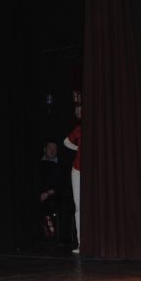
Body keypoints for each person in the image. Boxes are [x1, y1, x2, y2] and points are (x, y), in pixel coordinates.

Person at [63, 89, 82, 254]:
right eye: (78, 111)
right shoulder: (79, 129)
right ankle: (81, 243)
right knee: (78, 207)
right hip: (77, 170)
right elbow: (66, 142)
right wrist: (78, 149)